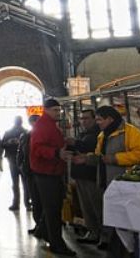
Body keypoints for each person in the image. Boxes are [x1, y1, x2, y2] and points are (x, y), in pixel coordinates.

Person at [76, 105, 140, 251]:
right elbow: (100, 157)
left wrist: (116, 159)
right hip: (105, 181)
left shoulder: (131, 132)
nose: (97, 123)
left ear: (110, 119)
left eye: (100, 120)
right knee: (110, 213)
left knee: (124, 217)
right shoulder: (102, 135)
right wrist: (86, 159)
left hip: (125, 184)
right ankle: (110, 241)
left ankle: (128, 247)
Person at [30, 99, 75, 256]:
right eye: (55, 110)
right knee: (53, 209)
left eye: (59, 110)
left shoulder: (48, 125)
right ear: (46, 110)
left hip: (51, 171)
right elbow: (38, 148)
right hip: (47, 173)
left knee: (52, 207)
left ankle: (43, 231)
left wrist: (64, 143)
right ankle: (57, 244)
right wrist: (57, 153)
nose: (58, 113)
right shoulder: (43, 126)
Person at [67, 109, 102, 246]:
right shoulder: (83, 133)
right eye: (82, 118)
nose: (83, 121)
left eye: (86, 118)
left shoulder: (97, 134)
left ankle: (102, 234)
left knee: (96, 205)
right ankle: (92, 231)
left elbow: (91, 148)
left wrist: (74, 143)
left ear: (94, 119)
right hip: (81, 174)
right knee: (86, 206)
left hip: (91, 175)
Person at [19, 114, 41, 234]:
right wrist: (21, 166)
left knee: (41, 200)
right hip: (30, 170)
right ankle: (38, 224)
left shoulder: (41, 135)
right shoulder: (26, 136)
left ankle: (42, 226)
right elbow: (22, 153)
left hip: (41, 171)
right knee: (36, 199)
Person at [2, 115, 29, 211]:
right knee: (25, 183)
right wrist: (10, 142)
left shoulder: (9, 132)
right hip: (23, 160)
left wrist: (9, 142)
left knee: (15, 183)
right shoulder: (26, 132)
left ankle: (16, 204)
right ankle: (27, 203)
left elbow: (2, 144)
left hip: (13, 160)